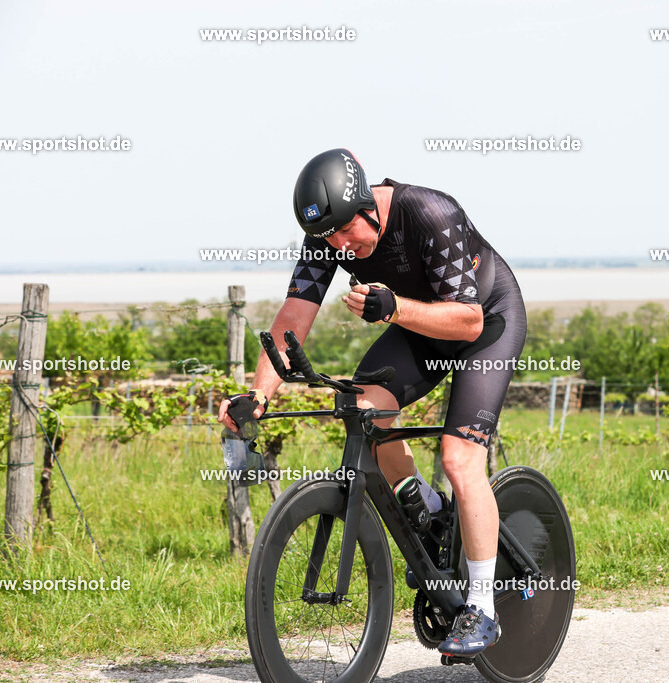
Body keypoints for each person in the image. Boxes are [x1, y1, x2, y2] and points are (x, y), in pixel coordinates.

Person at [218, 148, 526, 657]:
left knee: (458, 458)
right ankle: (427, 511)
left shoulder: (430, 212)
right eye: (329, 238)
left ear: (368, 206)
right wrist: (258, 394)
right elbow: (293, 316)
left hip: (485, 324)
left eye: (346, 231)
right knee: (364, 411)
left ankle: (482, 608)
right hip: (418, 328)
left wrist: (394, 306)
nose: (340, 246)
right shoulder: (327, 236)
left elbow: (468, 321)